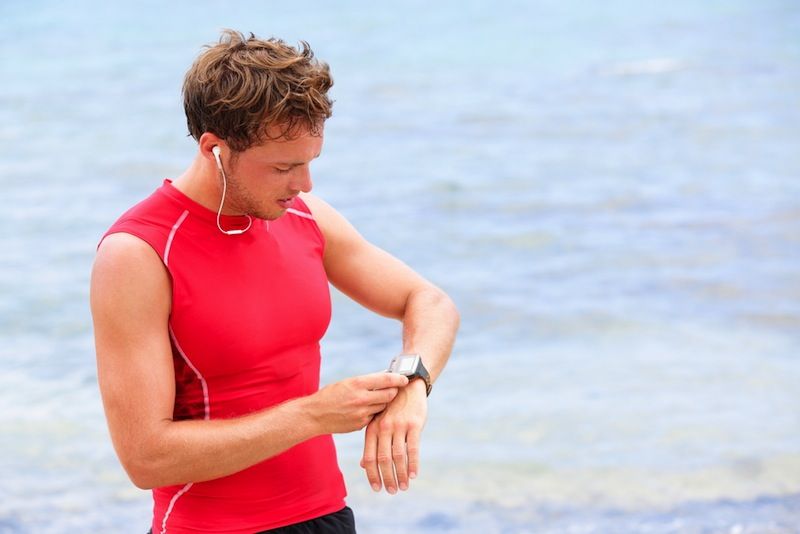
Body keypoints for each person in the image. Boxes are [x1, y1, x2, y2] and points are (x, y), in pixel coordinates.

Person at [89, 29, 459, 534]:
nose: (305, 185)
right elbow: (145, 458)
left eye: (310, 163)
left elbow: (429, 302)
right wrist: (312, 416)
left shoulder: (306, 216)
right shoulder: (138, 254)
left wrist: (413, 384)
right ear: (214, 149)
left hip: (327, 517)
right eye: (284, 167)